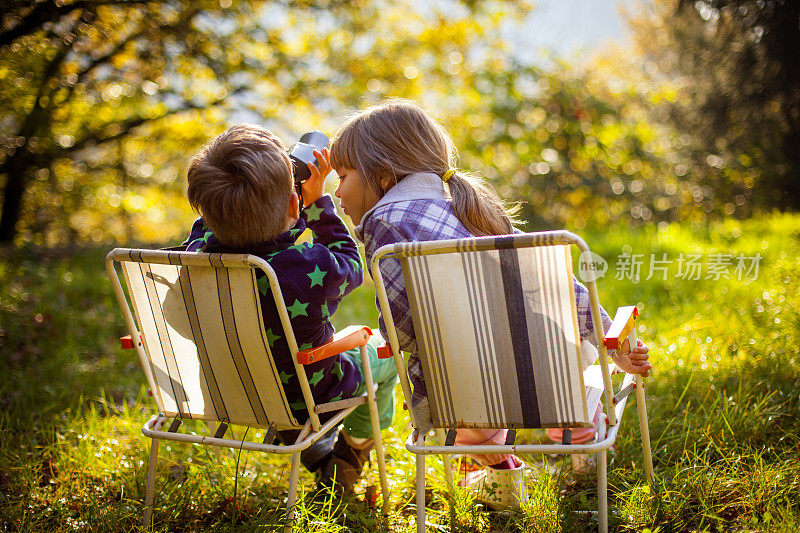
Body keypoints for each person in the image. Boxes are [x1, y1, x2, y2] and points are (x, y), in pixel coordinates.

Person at [326, 99, 651, 509]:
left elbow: (401, 328)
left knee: (447, 373)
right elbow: (559, 287)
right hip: (545, 378)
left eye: (342, 176)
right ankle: (580, 439)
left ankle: (500, 483)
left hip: (462, 401)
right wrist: (613, 343)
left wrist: (399, 346)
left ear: (384, 175)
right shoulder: (471, 207)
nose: (337, 192)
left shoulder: (385, 226)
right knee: (541, 358)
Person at [182, 124, 398, 494]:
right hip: (309, 397)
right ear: (293, 203)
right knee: (386, 354)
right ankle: (349, 456)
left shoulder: (196, 258)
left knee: (273, 363)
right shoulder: (305, 265)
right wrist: (318, 203)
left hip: (230, 388)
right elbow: (352, 262)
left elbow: (205, 226)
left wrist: (224, 208)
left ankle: (315, 451)